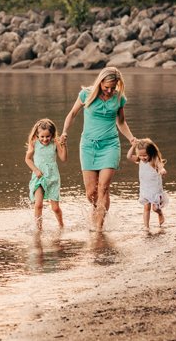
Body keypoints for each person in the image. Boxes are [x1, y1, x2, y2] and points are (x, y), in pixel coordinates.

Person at [61, 67, 137, 231]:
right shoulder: (86, 94)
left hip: (110, 145)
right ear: (100, 82)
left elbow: (121, 122)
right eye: (106, 87)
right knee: (91, 193)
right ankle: (97, 212)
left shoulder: (119, 98)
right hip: (88, 146)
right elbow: (73, 113)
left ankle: (99, 228)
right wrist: (64, 132)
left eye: (113, 87)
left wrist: (130, 138)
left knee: (103, 187)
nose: (110, 90)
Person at [25, 118, 67, 230]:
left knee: (55, 208)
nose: (45, 139)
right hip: (39, 177)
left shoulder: (55, 143)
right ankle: (39, 229)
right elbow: (28, 159)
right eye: (42, 136)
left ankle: (61, 226)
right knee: (38, 205)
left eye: (47, 136)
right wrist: (36, 170)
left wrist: (64, 146)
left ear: (52, 135)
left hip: (52, 177)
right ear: (37, 135)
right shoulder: (34, 144)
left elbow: (63, 158)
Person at [127, 138, 169, 229]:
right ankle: (146, 227)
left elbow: (160, 167)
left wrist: (162, 170)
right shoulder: (140, 160)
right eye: (140, 155)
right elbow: (129, 157)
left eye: (145, 155)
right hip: (145, 189)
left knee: (155, 209)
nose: (142, 158)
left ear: (151, 153)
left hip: (155, 190)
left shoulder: (155, 160)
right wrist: (133, 147)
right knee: (146, 208)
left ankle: (160, 212)